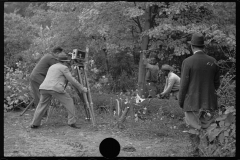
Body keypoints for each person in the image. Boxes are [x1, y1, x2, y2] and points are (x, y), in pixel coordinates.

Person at [178, 33, 220, 156]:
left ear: (192, 46)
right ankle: (210, 152)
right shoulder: (213, 61)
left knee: (193, 129)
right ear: (203, 47)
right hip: (209, 102)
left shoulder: (187, 62)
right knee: (209, 129)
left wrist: (181, 102)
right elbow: (216, 84)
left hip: (192, 102)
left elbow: (183, 85)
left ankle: (195, 153)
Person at [30, 52, 88, 129]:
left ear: (58, 60)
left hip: (44, 87)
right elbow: (72, 80)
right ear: (65, 61)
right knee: (69, 101)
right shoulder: (64, 68)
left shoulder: (52, 67)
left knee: (42, 105)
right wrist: (82, 88)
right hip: (55, 88)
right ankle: (72, 122)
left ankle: (35, 123)